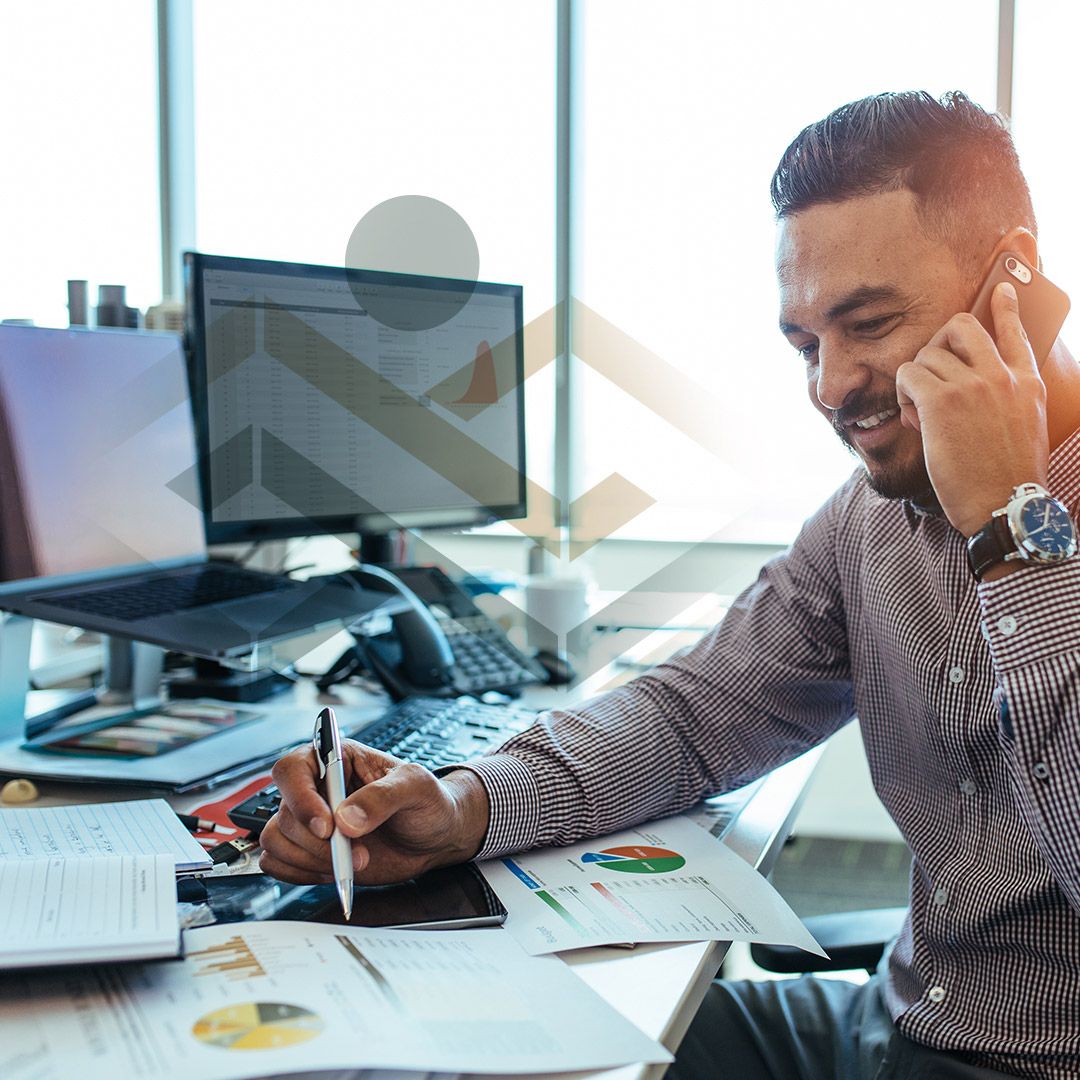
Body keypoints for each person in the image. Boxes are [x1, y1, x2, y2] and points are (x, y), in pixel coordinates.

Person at [260, 91, 1080, 1079]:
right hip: (888, 1024)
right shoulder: (867, 520)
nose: (829, 385)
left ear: (1015, 285)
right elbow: (698, 713)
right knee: (481, 1055)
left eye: (868, 322)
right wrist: (465, 806)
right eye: (806, 342)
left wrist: (1013, 529)